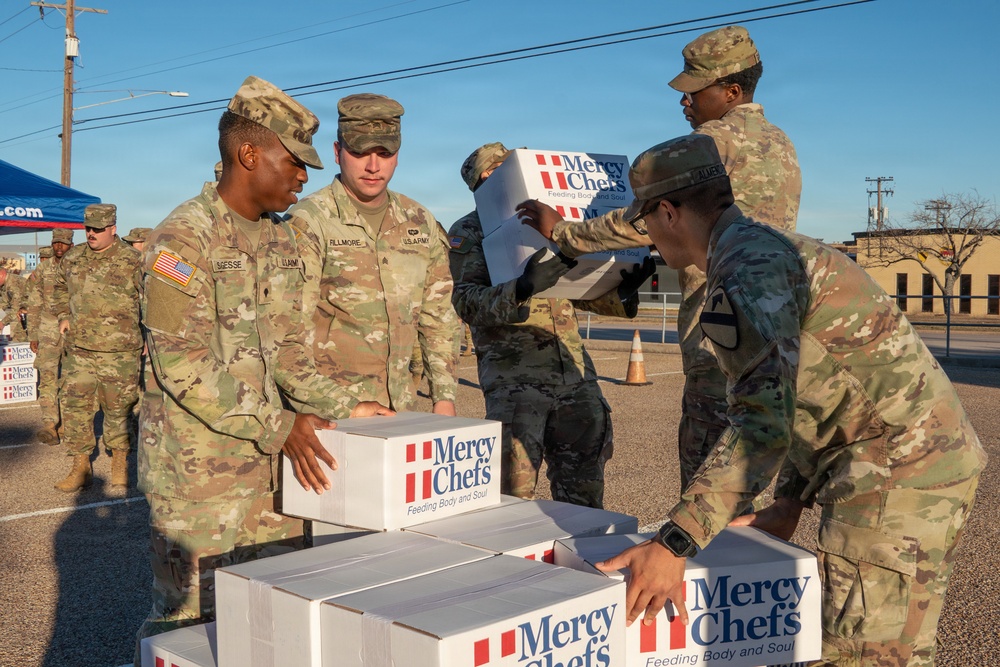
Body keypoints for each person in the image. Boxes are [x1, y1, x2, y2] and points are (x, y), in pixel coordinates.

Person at [593, 134, 986, 666]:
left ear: (668, 212)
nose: (650, 237)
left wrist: (674, 543)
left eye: (645, 222)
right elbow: (813, 394)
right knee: (892, 648)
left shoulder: (745, 274)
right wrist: (789, 502)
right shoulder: (764, 248)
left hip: (892, 474)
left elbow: (764, 425)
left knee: (861, 655)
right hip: (910, 458)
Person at [133, 76, 392, 651]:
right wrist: (280, 425)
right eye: (294, 161)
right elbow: (181, 364)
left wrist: (349, 405)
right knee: (187, 630)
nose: (304, 176)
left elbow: (291, 353)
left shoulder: (283, 242)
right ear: (249, 154)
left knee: (270, 621)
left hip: (275, 474)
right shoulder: (182, 241)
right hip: (199, 483)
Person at [520, 25, 801, 492]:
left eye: (695, 90)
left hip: (718, 331)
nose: (684, 101)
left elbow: (641, 220)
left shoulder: (709, 144)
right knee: (746, 474)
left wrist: (562, 232)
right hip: (776, 327)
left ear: (731, 91)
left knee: (707, 480)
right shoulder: (781, 144)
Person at [449, 142, 653, 508]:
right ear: (482, 183)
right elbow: (466, 302)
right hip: (516, 386)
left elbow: (576, 292)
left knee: (584, 497)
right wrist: (521, 288)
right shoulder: (470, 230)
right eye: (495, 172)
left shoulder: (545, 218)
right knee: (511, 502)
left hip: (575, 377)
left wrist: (621, 289)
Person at [288, 93, 459, 416]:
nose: (373, 166)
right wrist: (343, 406)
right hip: (328, 413)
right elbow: (288, 332)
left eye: (384, 153)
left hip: (400, 409)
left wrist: (444, 397)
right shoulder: (310, 222)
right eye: (359, 152)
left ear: (397, 156)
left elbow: (438, 316)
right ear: (337, 153)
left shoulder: (418, 221)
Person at [51, 204, 142, 494]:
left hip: (120, 351)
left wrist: (148, 335)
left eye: (98, 229)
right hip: (79, 349)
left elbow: (153, 299)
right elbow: (58, 288)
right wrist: (63, 315)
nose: (91, 233)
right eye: (88, 228)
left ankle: (120, 464)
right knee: (75, 408)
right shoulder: (73, 257)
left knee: (119, 409)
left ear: (113, 228)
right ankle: (81, 467)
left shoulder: (133, 260)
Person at [27, 229, 74, 445]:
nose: (59, 247)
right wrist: (33, 334)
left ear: (71, 245)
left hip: (73, 329)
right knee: (47, 377)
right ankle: (49, 424)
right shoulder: (43, 269)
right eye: (56, 242)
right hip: (48, 328)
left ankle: (67, 424)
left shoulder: (78, 266)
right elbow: (34, 302)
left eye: (63, 243)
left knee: (71, 378)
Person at [0, 266, 30, 343]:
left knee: (19, 339)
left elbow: (16, 309)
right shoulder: (5, 284)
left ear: (2, 274)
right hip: (23, 313)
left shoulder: (14, 284)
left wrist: (3, 323)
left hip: (29, 314)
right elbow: (4, 302)